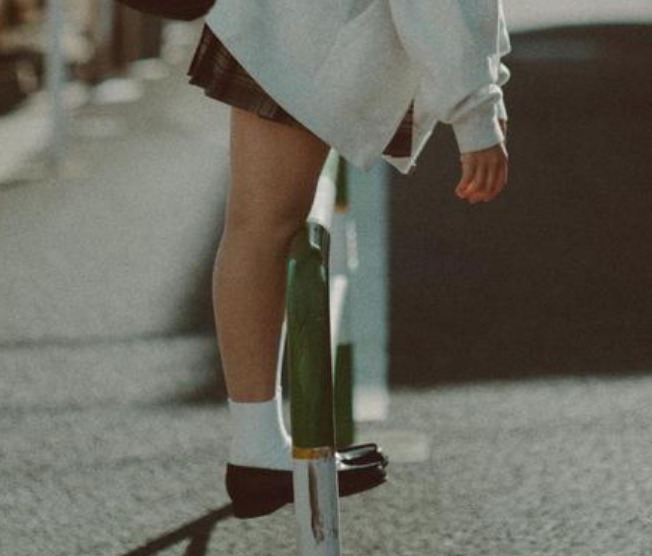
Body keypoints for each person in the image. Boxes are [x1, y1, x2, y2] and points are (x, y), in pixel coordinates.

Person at [187, 0, 511, 519]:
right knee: (263, 230)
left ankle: (257, 446)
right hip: (306, 42)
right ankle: (256, 454)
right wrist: (477, 114)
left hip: (286, 26)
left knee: (256, 230)